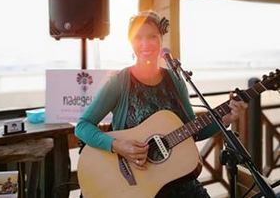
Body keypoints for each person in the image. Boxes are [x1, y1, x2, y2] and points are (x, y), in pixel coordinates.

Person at [75, 10, 247, 197]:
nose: (145, 44)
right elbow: (83, 126)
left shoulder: (175, 81)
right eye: (138, 38)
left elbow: (192, 131)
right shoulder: (120, 81)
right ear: (130, 42)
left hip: (177, 180)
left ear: (161, 40)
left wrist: (225, 118)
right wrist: (117, 145)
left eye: (152, 37)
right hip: (137, 187)